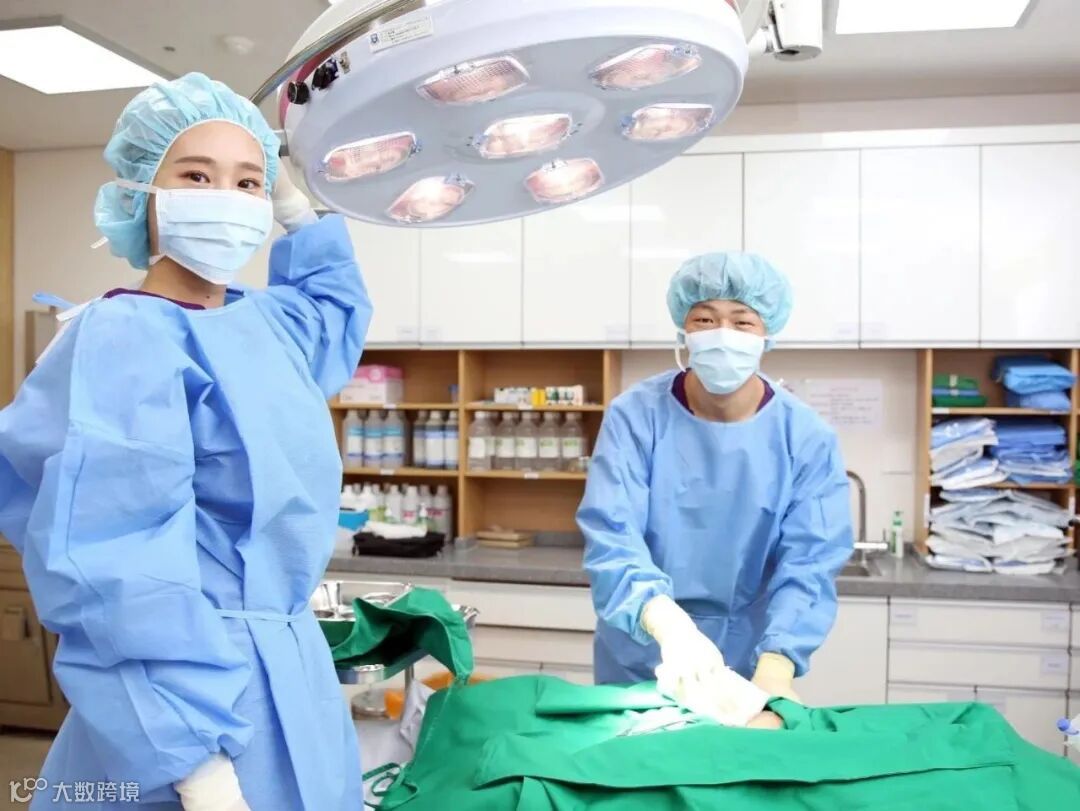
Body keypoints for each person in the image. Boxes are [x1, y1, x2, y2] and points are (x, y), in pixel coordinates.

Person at [0, 73, 371, 810]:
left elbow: (335, 308)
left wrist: (297, 206)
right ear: (144, 195)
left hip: (291, 676)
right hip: (181, 708)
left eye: (247, 183)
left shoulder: (268, 325)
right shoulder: (124, 338)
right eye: (197, 177)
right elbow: (115, 565)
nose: (225, 198)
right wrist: (194, 764)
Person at [577, 252, 853, 723]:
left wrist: (776, 666)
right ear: (683, 331)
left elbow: (810, 562)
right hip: (642, 648)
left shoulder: (805, 436)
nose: (723, 334)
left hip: (752, 657)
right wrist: (670, 627)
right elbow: (612, 536)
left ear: (767, 333)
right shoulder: (635, 418)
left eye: (742, 321)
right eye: (704, 319)